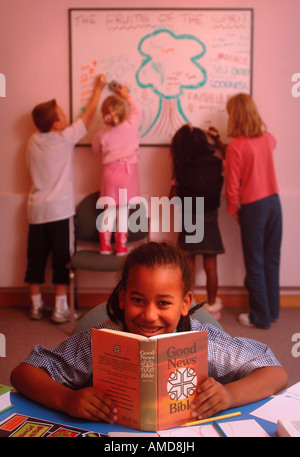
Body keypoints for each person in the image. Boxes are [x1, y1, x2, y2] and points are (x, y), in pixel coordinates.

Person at [11, 242, 288, 424]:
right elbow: (23, 373)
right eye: (138, 300)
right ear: (122, 297)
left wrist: (228, 396)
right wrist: (66, 399)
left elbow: (276, 373)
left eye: (164, 303)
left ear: (185, 304)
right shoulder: (99, 340)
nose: (149, 315)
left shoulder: (206, 341)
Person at [25, 74, 106, 323]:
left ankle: (36, 305)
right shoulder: (64, 139)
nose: (65, 116)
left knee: (35, 258)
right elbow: (88, 116)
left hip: (36, 211)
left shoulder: (33, 140)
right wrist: (98, 89)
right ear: (58, 124)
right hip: (60, 212)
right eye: (61, 113)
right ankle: (60, 308)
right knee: (62, 260)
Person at [224, 93, 282, 329]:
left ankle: (260, 317)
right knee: (271, 261)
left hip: (253, 208)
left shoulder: (235, 146)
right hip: (274, 204)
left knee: (255, 263)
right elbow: (270, 147)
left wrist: (233, 210)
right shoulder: (268, 138)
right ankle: (272, 311)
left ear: (234, 117)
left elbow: (232, 187)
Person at [170, 124, 225, 320]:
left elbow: (173, 198)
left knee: (188, 264)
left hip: (189, 216)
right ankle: (212, 307)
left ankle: (187, 305)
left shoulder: (182, 165)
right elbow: (230, 155)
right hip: (209, 215)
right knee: (211, 266)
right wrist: (218, 139)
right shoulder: (216, 162)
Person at [92, 82, 142, 256]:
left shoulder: (101, 134)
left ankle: (104, 246)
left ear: (105, 115)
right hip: (127, 175)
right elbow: (138, 110)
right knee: (123, 212)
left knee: (109, 210)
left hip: (110, 175)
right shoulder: (131, 125)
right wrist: (126, 95)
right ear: (123, 113)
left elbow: (95, 150)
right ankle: (121, 247)